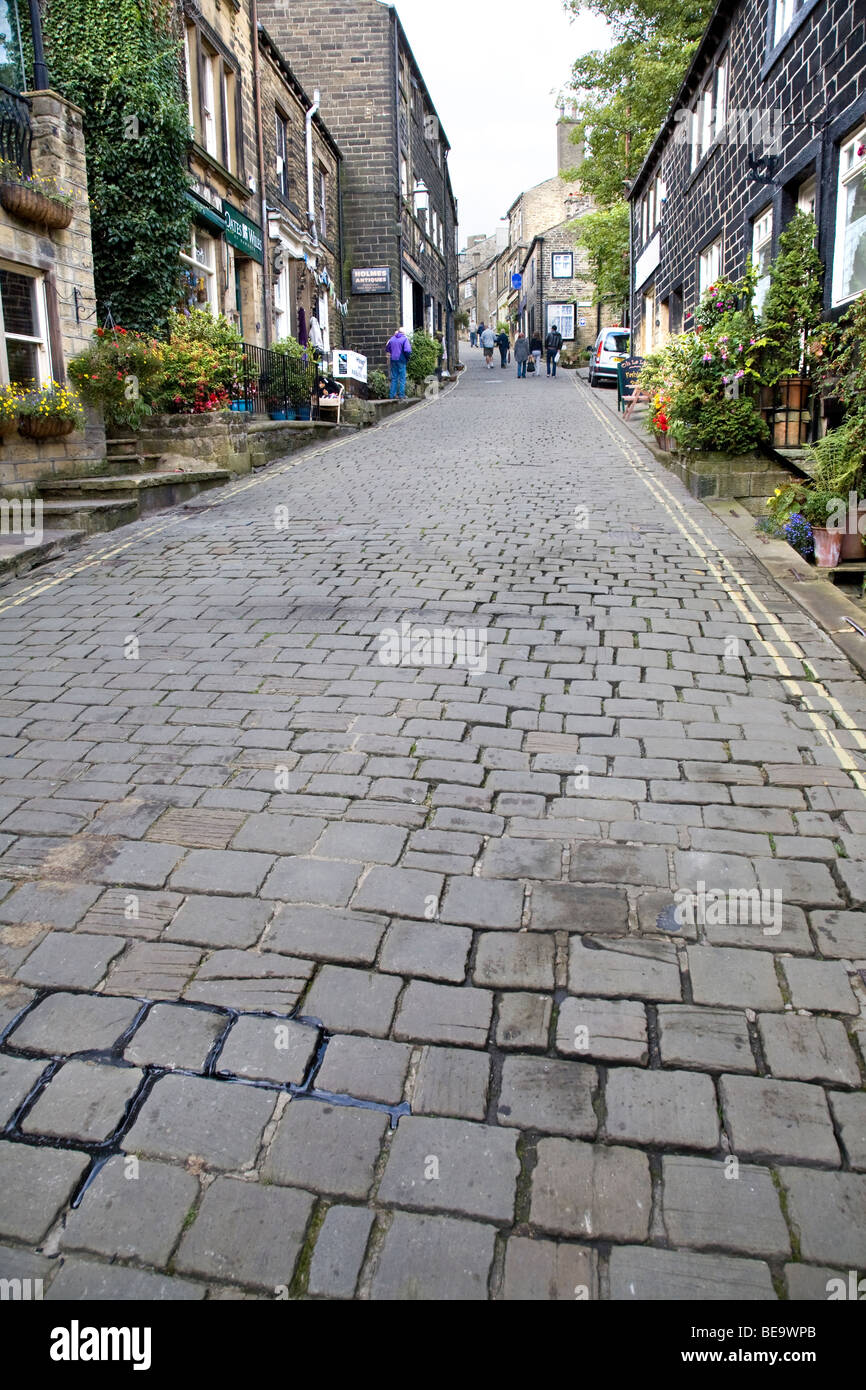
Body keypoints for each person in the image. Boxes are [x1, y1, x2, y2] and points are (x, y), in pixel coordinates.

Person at [386, 327, 412, 398]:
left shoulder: (392, 338)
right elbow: (408, 350)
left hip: (393, 359)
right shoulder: (405, 339)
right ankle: (401, 395)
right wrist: (407, 358)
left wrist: (392, 353)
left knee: (394, 378)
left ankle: (392, 395)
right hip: (401, 359)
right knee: (402, 378)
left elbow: (387, 348)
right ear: (403, 333)